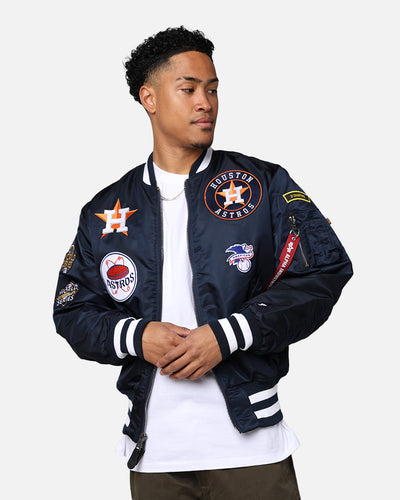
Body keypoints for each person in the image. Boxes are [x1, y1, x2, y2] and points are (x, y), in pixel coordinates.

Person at [53, 26, 353, 499]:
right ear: (149, 98)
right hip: (155, 455)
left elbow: (324, 270)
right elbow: (72, 310)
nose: (205, 103)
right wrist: (137, 336)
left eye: (212, 89)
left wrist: (230, 334)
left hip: (251, 451)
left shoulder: (264, 184)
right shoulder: (105, 209)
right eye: (189, 89)